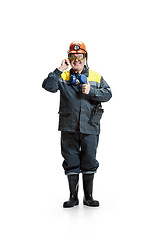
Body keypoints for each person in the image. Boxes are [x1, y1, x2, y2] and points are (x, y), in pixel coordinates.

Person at [42, 40, 112, 208]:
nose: (76, 60)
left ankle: (88, 196)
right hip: (69, 126)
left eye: (79, 56)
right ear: (69, 58)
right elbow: (48, 86)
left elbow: (108, 94)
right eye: (73, 56)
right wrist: (59, 69)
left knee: (89, 160)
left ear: (85, 57)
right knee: (71, 160)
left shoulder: (95, 76)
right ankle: (73, 197)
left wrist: (92, 91)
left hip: (90, 126)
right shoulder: (64, 76)